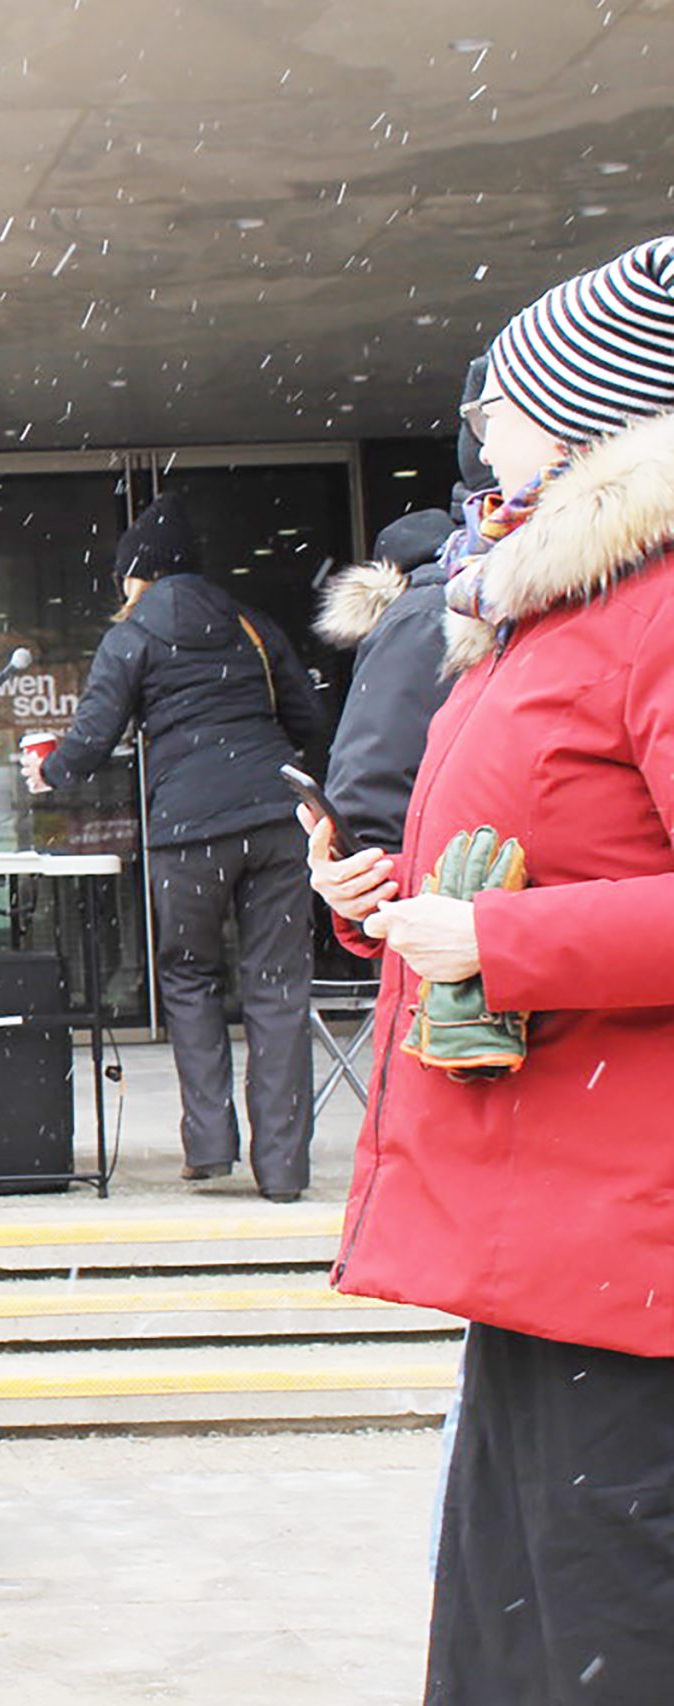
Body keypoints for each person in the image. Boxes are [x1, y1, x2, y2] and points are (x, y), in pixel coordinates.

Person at [309, 235, 674, 1704]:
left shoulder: (644, 612)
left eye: (503, 398)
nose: (477, 428)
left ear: (589, 424)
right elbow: (541, 846)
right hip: (555, 1233)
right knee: (515, 1630)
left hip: (631, 1237)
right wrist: (390, 901)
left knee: (598, 1622)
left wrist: (504, 943)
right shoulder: (543, 612)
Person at [25, 493, 325, 1200]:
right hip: (277, 817)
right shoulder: (250, 622)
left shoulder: (132, 633)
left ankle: (210, 1145)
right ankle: (284, 1170)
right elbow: (309, 715)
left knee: (190, 976)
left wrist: (50, 771)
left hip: (189, 832)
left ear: (137, 574)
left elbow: (95, 733)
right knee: (279, 990)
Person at [314, 510, 460, 856]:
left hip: (430, 864)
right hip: (460, 859)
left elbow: (370, 782)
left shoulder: (417, 617)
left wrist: (365, 864)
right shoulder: (448, 608)